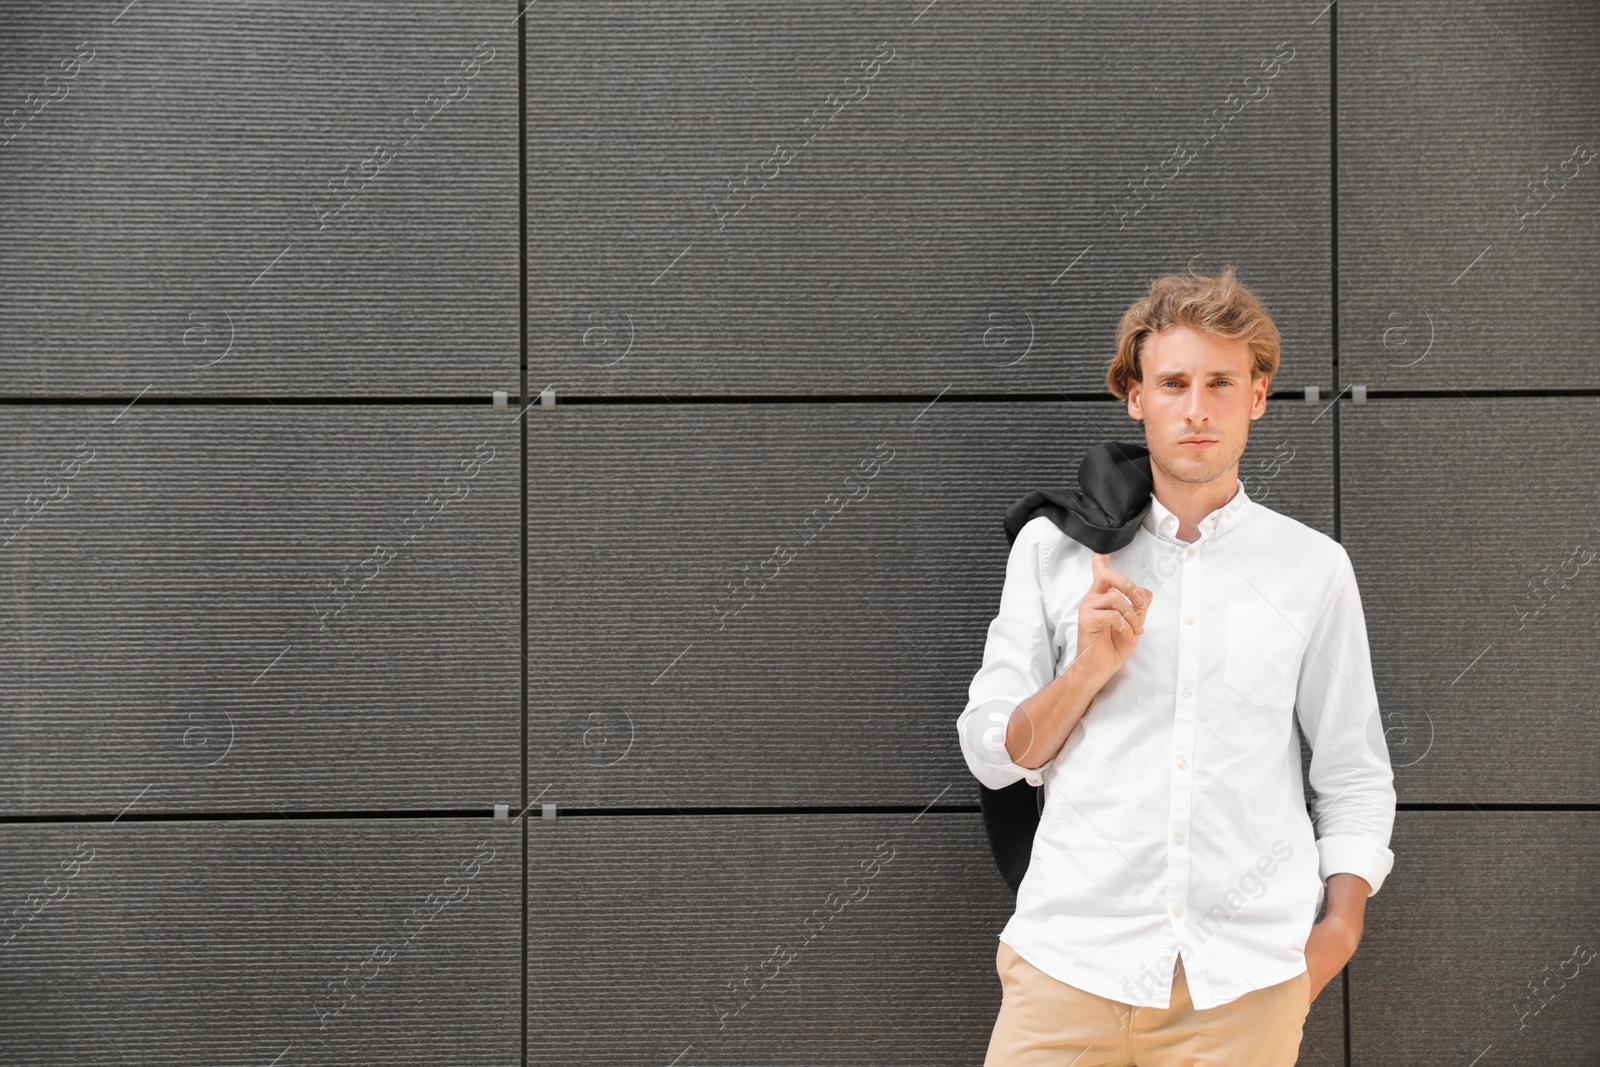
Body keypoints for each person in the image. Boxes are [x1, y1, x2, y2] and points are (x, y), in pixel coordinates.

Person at [956, 263, 1396, 1066]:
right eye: (1174, 382)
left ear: (1258, 395)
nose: (1197, 409)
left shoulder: (1313, 568)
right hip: (1067, 974)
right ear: (1137, 396)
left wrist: (1335, 935)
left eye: (1221, 383)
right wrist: (1086, 671)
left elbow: (1354, 774)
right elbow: (995, 752)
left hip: (1241, 993)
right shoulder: (1053, 552)